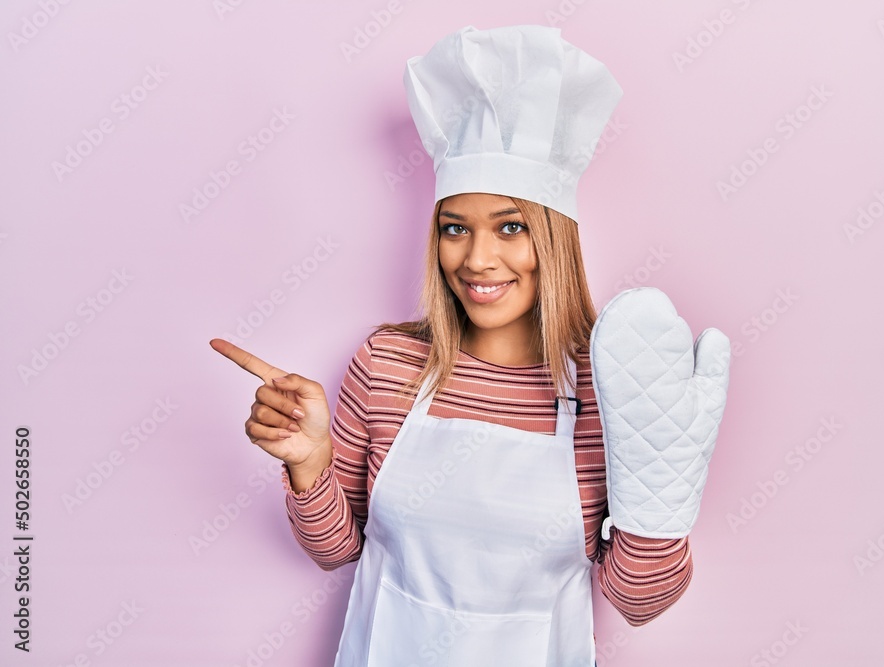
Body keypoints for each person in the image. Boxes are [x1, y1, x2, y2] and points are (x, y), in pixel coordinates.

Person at [211, 25, 714, 666]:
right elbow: (338, 551)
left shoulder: (610, 389)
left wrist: (661, 492)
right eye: (455, 229)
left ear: (554, 239)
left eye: (511, 227)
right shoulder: (388, 364)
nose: (477, 259)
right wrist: (310, 461)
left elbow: (639, 604)